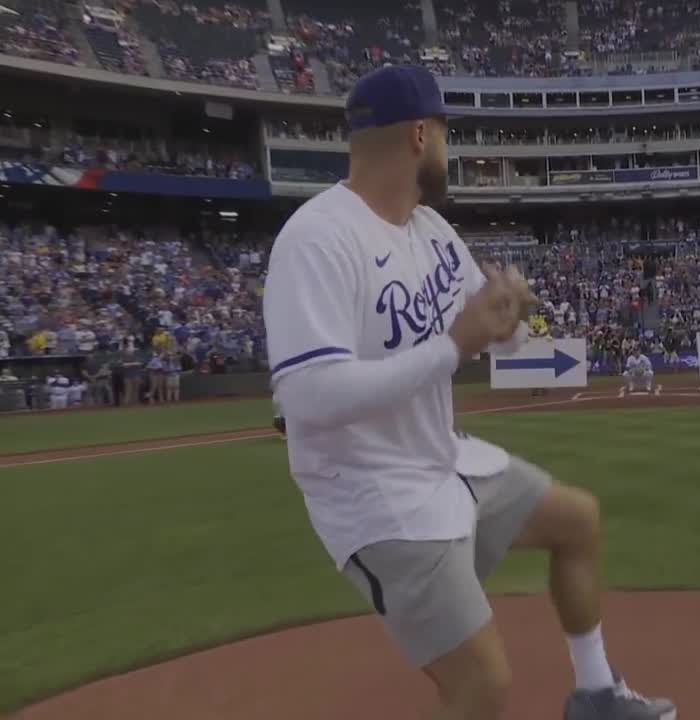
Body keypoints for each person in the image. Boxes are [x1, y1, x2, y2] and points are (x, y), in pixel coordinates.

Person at [262, 65, 674, 720]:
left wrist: (504, 321)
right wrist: (455, 343)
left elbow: (486, 331)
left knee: (577, 520)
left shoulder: (429, 232)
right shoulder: (317, 238)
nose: (451, 150)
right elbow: (309, 396)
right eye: (449, 135)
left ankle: (597, 695)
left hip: (441, 461)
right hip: (375, 494)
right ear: (421, 135)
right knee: (482, 683)